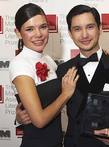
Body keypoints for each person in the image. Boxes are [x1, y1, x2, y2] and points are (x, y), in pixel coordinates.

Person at [15, 4, 109, 147]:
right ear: (71, 34)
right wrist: (20, 117)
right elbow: (43, 105)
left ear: (100, 29)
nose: (84, 35)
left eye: (90, 27)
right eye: (77, 29)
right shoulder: (62, 70)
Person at [9, 3, 79, 147]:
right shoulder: (19, 64)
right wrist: (65, 94)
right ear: (18, 33)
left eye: (43, 26)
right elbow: (39, 121)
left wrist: (102, 57)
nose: (39, 34)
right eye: (30, 29)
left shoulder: (48, 60)